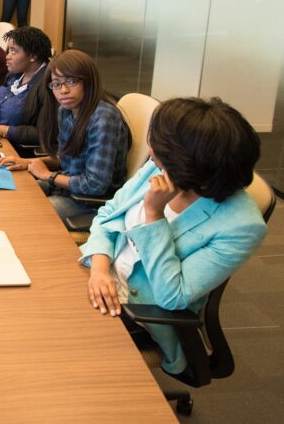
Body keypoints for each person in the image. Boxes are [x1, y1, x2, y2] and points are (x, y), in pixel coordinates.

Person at [79, 97, 266, 375]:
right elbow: (108, 214)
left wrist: (154, 215)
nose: (151, 151)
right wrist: (100, 268)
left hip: (138, 311)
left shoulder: (241, 226)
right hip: (99, 276)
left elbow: (172, 296)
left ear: (191, 162)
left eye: (161, 148)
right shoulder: (161, 167)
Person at [0, 49, 128, 222]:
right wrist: (27, 162)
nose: (63, 90)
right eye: (56, 84)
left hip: (90, 203)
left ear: (89, 82)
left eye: (71, 81)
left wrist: (46, 175)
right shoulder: (66, 111)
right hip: (66, 188)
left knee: (24, 213)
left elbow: (95, 184)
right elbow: (66, 157)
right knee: (10, 194)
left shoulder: (103, 119)